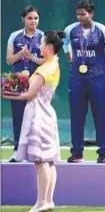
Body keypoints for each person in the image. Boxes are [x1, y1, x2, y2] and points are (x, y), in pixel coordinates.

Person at [2, 30, 65, 212]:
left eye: (42, 44)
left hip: (38, 114)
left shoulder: (44, 69)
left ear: (49, 47)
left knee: (41, 161)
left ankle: (42, 202)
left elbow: (29, 94)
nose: (39, 46)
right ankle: (48, 201)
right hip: (47, 113)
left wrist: (5, 94)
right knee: (49, 161)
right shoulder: (53, 64)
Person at [63, 0, 105, 163]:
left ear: (91, 13)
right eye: (77, 14)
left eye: (83, 14)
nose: (80, 17)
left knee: (101, 115)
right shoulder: (71, 30)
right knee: (76, 115)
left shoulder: (103, 30)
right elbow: (64, 42)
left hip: (98, 78)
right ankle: (76, 152)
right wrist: (69, 57)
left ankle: (103, 153)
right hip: (77, 78)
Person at [6, 6, 45, 162]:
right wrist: (20, 54)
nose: (33, 21)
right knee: (18, 117)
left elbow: (46, 61)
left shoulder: (43, 37)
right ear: (23, 19)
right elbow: (9, 60)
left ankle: (37, 151)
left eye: (36, 18)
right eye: (30, 18)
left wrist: (31, 57)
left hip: (37, 81)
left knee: (37, 117)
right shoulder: (14, 37)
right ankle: (17, 150)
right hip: (17, 82)